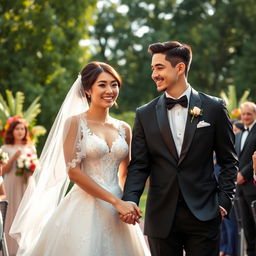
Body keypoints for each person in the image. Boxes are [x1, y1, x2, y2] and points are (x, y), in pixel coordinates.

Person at [10, 62, 150, 256]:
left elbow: (125, 172)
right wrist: (114, 202)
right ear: (87, 89)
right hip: (85, 206)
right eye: (102, 85)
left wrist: (127, 204)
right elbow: (73, 172)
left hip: (118, 209)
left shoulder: (124, 128)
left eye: (114, 84)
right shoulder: (75, 123)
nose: (110, 90)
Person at [121, 41, 238, 256]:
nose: (153, 74)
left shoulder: (214, 107)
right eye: (152, 68)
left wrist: (223, 203)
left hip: (204, 214)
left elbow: (229, 161)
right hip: (161, 216)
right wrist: (130, 199)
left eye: (159, 67)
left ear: (180, 67)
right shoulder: (144, 114)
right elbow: (139, 165)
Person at [1, 119, 36, 256]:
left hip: (27, 183)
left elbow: (35, 169)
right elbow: (3, 171)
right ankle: (10, 250)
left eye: (22, 129)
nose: (20, 131)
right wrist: (14, 157)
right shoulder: (5, 148)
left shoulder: (31, 148)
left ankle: (26, 249)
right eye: (17, 129)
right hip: (11, 184)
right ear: (12, 131)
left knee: (27, 214)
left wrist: (30, 168)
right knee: (11, 214)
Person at [235, 101, 256, 256]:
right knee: (247, 227)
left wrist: (243, 174)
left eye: (249, 113)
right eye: (243, 114)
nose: (246, 116)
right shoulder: (240, 134)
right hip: (240, 189)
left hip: (253, 186)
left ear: (254, 114)